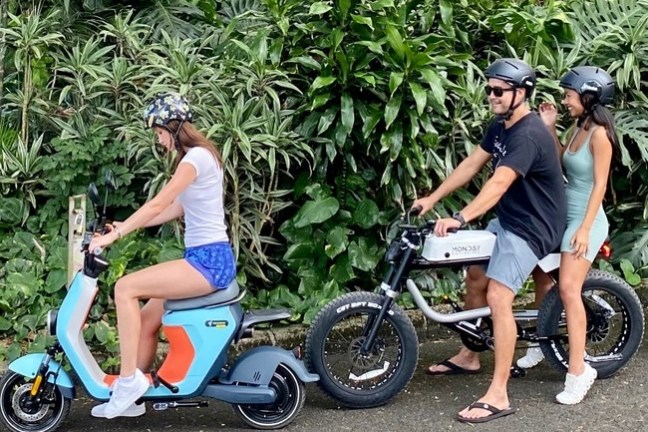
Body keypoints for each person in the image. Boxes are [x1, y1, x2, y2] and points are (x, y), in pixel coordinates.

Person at [412, 58, 567, 423]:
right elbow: (472, 164)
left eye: (499, 91)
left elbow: (498, 184)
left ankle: (498, 394)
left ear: (521, 93)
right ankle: (470, 354)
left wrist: (461, 217)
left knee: (499, 295)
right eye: (490, 89)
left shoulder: (528, 134)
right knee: (476, 277)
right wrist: (433, 198)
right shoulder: (501, 125)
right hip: (510, 218)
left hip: (534, 226)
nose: (492, 96)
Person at [88, 93, 236, 419]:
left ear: (173, 127)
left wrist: (115, 236)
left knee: (125, 288)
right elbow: (174, 209)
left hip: (207, 262)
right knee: (146, 319)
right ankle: (133, 398)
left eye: (158, 132)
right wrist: (123, 225)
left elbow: (157, 203)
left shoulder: (193, 159)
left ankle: (128, 382)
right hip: (206, 258)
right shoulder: (200, 157)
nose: (157, 139)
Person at [516, 66, 616, 404]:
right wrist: (549, 129)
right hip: (564, 213)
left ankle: (579, 371)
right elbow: (564, 161)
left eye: (569, 95)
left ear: (589, 97)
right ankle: (541, 344)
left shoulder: (600, 134)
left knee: (569, 289)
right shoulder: (579, 126)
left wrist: (586, 229)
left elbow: (599, 185)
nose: (564, 100)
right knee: (540, 272)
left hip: (586, 219)